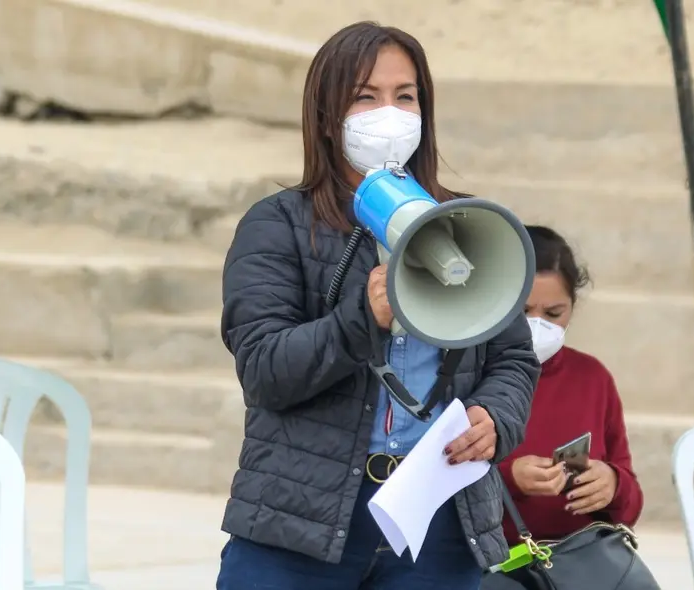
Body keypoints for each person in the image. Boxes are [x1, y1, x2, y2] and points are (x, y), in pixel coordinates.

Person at [215, 21, 541, 590]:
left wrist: (495, 419)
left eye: (404, 96)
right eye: (365, 97)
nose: (388, 113)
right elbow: (266, 372)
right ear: (326, 116)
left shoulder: (466, 227)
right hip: (300, 525)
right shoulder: (279, 225)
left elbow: (513, 357)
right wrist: (362, 320)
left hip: (437, 525)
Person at [499, 225, 644, 545]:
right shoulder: (467, 373)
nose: (537, 324)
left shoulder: (592, 379)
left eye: (553, 313)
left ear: (572, 308)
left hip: (576, 562)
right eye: (521, 312)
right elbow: (437, 488)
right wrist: (509, 479)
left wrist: (612, 484)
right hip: (492, 565)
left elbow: (630, 504)